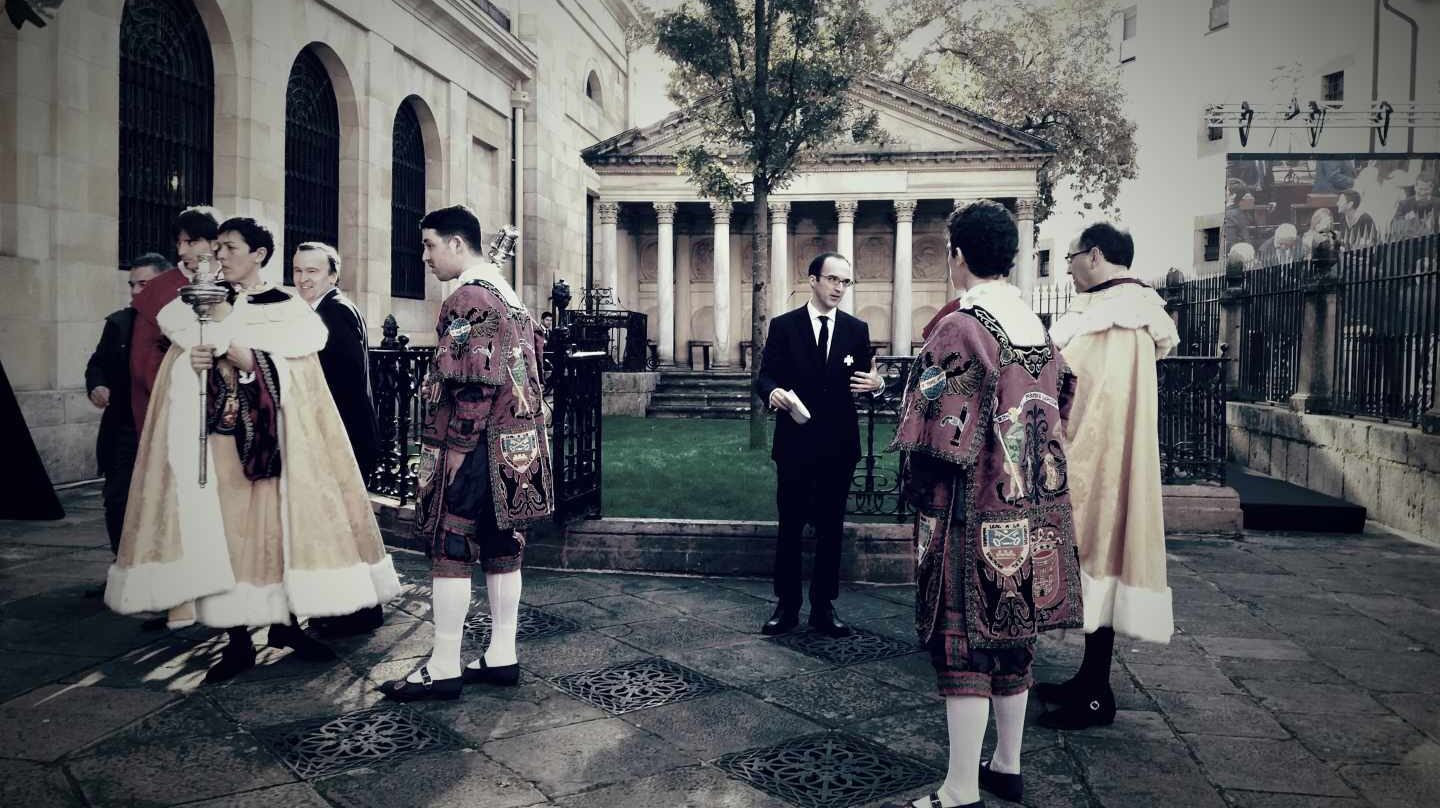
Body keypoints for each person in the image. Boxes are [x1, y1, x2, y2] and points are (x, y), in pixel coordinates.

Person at [104, 216, 401, 684]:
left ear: (259, 254)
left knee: (279, 532)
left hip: (279, 443)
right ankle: (237, 639)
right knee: (228, 539)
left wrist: (247, 359)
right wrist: (195, 363)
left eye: (231, 247)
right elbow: (179, 377)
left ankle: (287, 626)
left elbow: (302, 380)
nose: (220, 255)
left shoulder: (285, 306)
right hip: (221, 445)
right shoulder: (197, 305)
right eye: (217, 247)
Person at [889, 200, 1082, 808]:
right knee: (1013, 635)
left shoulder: (960, 326)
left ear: (958, 255)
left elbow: (936, 421)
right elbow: (1063, 400)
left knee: (964, 640)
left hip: (970, 508)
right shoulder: (1035, 326)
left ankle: (959, 789)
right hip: (1031, 508)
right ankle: (1006, 764)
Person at [379, 205, 552, 702]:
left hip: (474, 447)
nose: (425, 256)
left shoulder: (469, 298)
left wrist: (456, 446)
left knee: (450, 546)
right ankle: (501, 655)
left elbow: (473, 379)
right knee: (503, 545)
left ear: (457, 244)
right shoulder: (510, 299)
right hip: (518, 444)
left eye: (430, 244)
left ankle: (443, 665)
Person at [1036, 224, 1177, 730]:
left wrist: (1060, 454)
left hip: (1098, 461)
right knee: (1100, 564)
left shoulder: (1119, 318)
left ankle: (1095, 693)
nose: (1068, 266)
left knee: (1101, 562)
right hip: (1101, 456)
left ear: (1094, 255)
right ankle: (1089, 680)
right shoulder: (1121, 310)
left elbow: (1082, 395)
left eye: (1071, 256)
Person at [755, 252, 885, 638]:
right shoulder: (783, 327)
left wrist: (878, 386)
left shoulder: (856, 329)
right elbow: (764, 377)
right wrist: (774, 391)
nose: (839, 288)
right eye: (832, 280)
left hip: (839, 446)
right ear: (812, 280)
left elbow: (870, 380)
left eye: (845, 282)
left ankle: (824, 607)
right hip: (794, 445)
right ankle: (787, 606)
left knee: (831, 527)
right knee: (790, 526)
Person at [292, 241, 384, 638]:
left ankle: (361, 613)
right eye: (297, 271)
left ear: (332, 275)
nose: (302, 279)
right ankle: (349, 609)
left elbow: (340, 380)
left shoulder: (333, 312)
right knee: (345, 526)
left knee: (347, 528)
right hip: (344, 437)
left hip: (345, 438)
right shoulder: (327, 310)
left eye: (312, 271)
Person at [85, 254, 167, 555]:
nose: (134, 291)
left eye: (143, 284)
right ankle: (122, 567)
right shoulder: (119, 322)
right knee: (118, 498)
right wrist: (97, 384)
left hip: (165, 427)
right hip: (124, 428)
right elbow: (97, 364)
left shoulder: (181, 323)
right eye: (132, 284)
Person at [129, 205, 222, 432]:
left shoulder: (232, 283)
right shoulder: (160, 289)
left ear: (214, 242)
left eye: (190, 242)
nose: (181, 251)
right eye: (179, 243)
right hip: (174, 404)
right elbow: (143, 359)